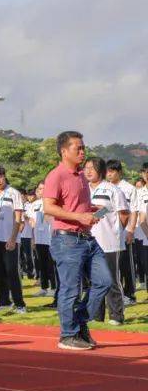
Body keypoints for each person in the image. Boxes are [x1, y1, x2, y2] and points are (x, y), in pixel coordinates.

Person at [41, 131, 112, 350]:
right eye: (77, 148)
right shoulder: (56, 175)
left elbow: (76, 205)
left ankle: (79, 322)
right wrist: (79, 216)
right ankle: (67, 334)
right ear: (64, 151)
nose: (82, 152)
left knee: (104, 281)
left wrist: (92, 210)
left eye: (83, 147)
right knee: (70, 289)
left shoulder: (81, 176)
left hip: (87, 239)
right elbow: (49, 207)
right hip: (67, 240)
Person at [85, 157, 128, 325]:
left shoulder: (112, 190)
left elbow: (123, 213)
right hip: (89, 240)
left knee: (111, 279)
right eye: (86, 168)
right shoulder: (83, 190)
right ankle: (96, 314)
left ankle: (116, 315)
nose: (88, 171)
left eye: (92, 168)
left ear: (101, 171)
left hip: (109, 242)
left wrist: (116, 231)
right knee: (94, 280)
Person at [0, 164, 27, 314]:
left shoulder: (14, 193)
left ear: (4, 175)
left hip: (10, 238)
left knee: (12, 271)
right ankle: (3, 302)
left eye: (0, 176)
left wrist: (13, 238)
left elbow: (18, 217)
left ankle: (20, 304)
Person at [104, 161, 138, 305]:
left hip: (124, 231)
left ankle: (130, 295)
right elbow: (104, 209)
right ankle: (118, 294)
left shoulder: (129, 188)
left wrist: (130, 230)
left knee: (126, 263)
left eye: (112, 171)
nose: (109, 174)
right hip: (109, 232)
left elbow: (134, 210)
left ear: (119, 172)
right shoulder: (106, 188)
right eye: (107, 172)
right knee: (113, 265)